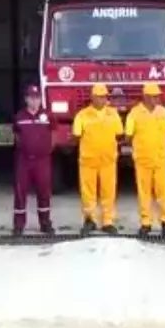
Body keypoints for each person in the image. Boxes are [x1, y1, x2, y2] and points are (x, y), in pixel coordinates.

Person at [72, 83, 124, 236]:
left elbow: (119, 133)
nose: (102, 100)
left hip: (108, 160)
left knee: (108, 192)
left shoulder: (113, 114)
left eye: (104, 97)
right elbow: (76, 134)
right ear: (92, 97)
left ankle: (107, 221)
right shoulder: (82, 115)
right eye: (99, 97)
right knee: (88, 192)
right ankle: (90, 220)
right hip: (88, 161)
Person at [125, 82, 165, 237]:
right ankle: (145, 223)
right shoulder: (134, 113)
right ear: (146, 97)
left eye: (158, 96)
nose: (157, 99)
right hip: (143, 160)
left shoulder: (162, 112)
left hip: (160, 159)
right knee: (144, 193)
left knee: (163, 192)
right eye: (154, 96)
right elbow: (128, 136)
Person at [12, 85, 55, 236]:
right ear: (26, 99)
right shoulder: (19, 116)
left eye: (37, 98)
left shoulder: (47, 115)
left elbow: (53, 134)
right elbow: (16, 136)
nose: (34, 101)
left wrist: (47, 150)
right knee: (20, 193)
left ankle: (45, 223)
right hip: (24, 161)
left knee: (44, 192)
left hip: (42, 161)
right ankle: (18, 225)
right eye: (31, 98)